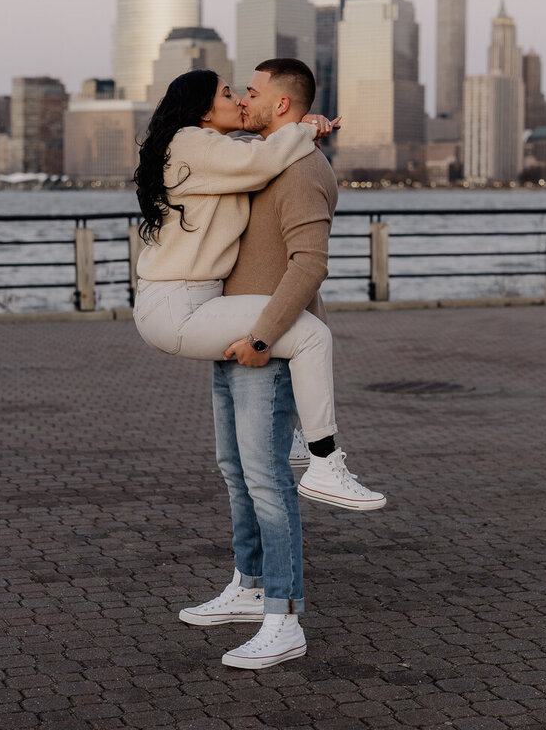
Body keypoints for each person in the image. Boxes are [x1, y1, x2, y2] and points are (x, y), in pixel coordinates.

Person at [132, 68, 384, 511]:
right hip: (177, 306)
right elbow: (265, 159)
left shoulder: (212, 147)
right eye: (230, 94)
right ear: (205, 111)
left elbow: (266, 148)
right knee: (311, 335)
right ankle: (324, 461)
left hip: (188, 298)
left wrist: (306, 130)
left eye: (246, 93)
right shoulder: (192, 142)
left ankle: (303, 444)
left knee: (304, 319)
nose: (240, 102)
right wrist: (304, 129)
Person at [174, 58, 345, 669]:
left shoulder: (299, 168)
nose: (242, 99)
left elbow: (309, 265)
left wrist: (265, 339)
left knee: (268, 480)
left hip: (263, 346)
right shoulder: (264, 152)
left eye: (251, 91)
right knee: (235, 468)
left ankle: (285, 615)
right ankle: (248, 586)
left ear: (279, 105)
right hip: (234, 334)